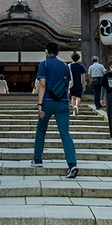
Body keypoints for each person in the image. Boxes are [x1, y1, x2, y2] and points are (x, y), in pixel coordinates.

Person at [31, 41, 78, 179]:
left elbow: (42, 84)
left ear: (46, 51)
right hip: (63, 102)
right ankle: (72, 164)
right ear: (58, 53)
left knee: (41, 130)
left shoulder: (43, 64)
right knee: (65, 133)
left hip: (47, 101)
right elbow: (69, 83)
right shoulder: (64, 66)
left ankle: (38, 159)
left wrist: (39, 105)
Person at [68, 52, 87, 116]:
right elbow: (83, 75)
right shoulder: (81, 66)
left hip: (71, 83)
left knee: (72, 97)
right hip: (79, 83)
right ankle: (76, 106)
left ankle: (74, 110)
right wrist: (84, 84)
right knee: (78, 97)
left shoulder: (69, 66)